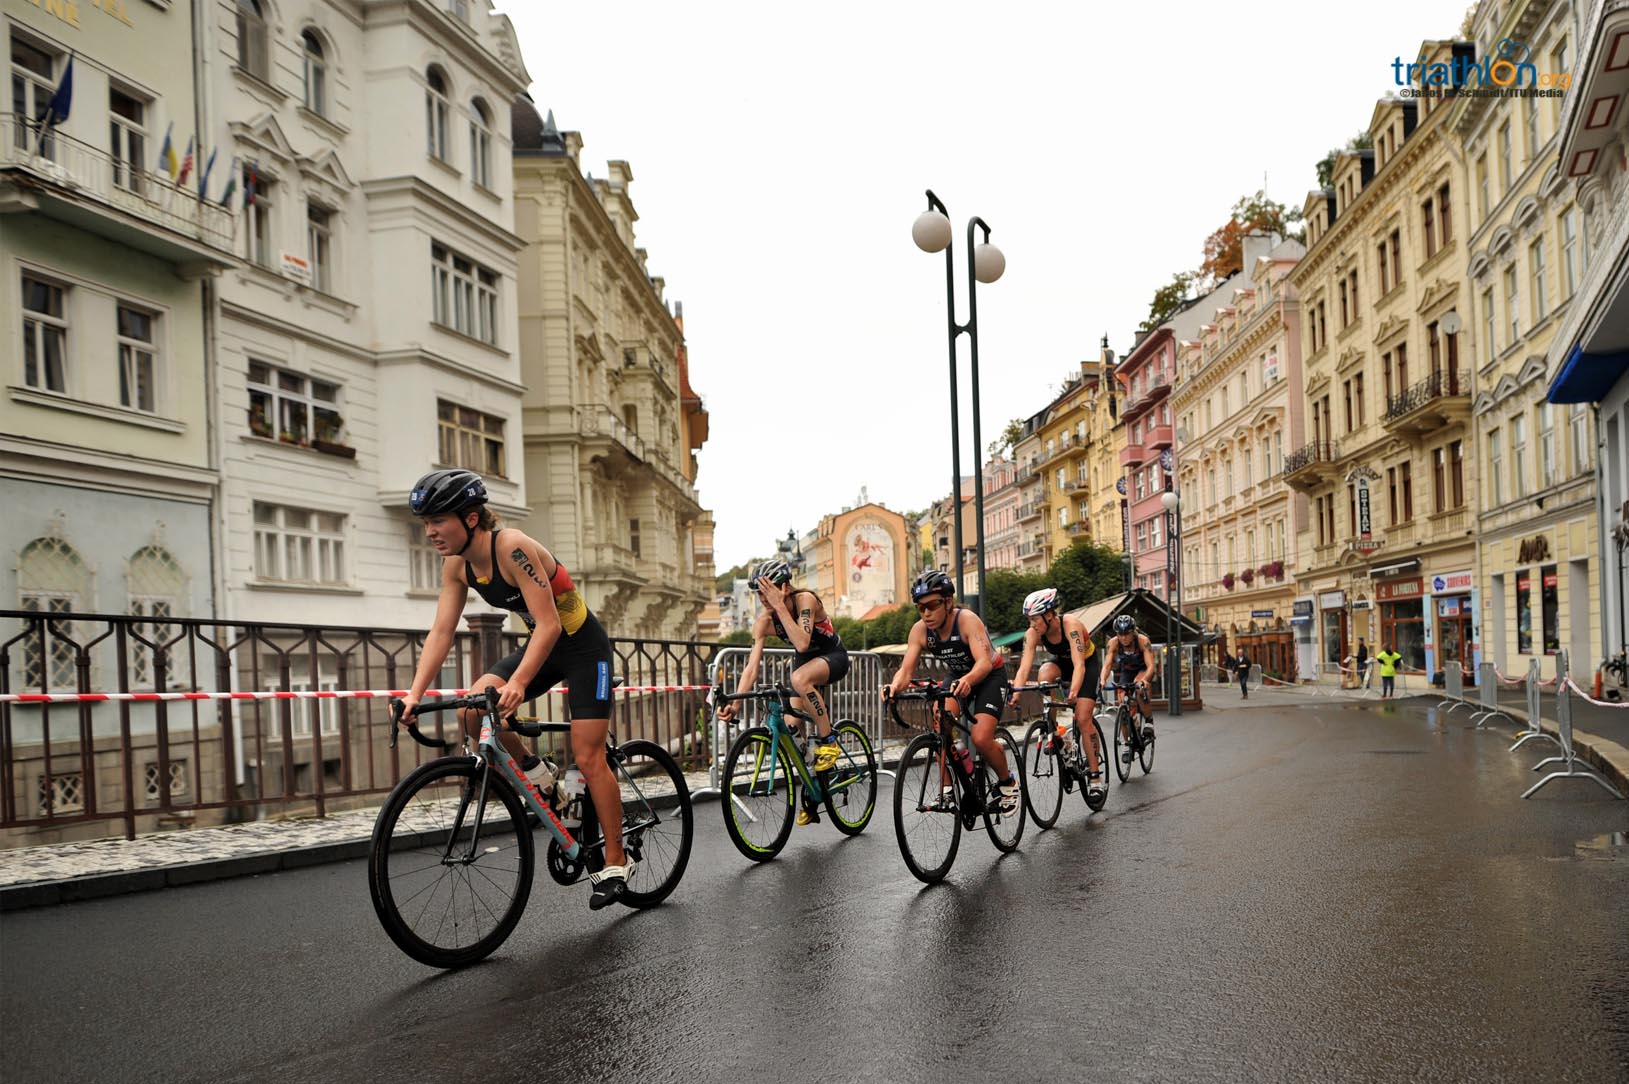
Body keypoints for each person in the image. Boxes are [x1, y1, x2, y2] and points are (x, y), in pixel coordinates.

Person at [396, 469, 631, 910]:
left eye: (437, 521)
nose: (429, 532)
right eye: (424, 523)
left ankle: (616, 860)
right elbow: (442, 631)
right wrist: (415, 693)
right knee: (471, 710)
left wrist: (520, 683)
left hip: (583, 648)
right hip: (545, 646)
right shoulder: (457, 565)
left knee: (587, 755)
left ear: (470, 519)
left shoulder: (512, 547)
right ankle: (542, 778)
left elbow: (550, 622)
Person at [718, 558, 851, 825]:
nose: (765, 598)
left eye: (770, 589)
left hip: (832, 656)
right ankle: (814, 791)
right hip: (805, 665)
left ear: (786, 587)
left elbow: (802, 642)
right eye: (760, 593)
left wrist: (780, 606)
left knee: (799, 678)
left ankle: (829, 742)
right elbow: (751, 668)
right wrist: (736, 704)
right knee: (791, 729)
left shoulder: (805, 601)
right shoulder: (764, 621)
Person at [883, 570, 1020, 815]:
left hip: (989, 675)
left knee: (980, 737)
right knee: (940, 723)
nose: (926, 613)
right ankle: (947, 790)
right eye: (920, 607)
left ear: (947, 602)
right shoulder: (920, 631)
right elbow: (905, 670)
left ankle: (1008, 784)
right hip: (958, 676)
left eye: (932, 605)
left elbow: (984, 662)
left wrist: (968, 679)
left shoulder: (966, 620)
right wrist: (894, 687)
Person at [1010, 587, 1105, 802]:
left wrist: (1072, 693)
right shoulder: (1033, 633)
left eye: (1034, 619)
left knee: (1082, 718)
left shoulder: (1070, 625)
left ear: (1050, 614)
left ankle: (1095, 777)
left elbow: (1079, 665)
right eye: (1029, 619)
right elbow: (1024, 667)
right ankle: (1052, 730)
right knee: (1044, 673)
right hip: (1062, 664)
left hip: (1085, 665)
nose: (1032, 624)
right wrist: (1015, 692)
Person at [1104, 614, 1157, 742]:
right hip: (1127, 672)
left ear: (1133, 632)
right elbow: (1107, 665)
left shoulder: (1143, 641)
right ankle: (1127, 743)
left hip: (1143, 670)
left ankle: (1149, 720)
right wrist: (1101, 680)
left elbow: (1151, 666)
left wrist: (1144, 680)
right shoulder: (1113, 643)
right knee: (1122, 705)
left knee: (1139, 689)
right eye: (1120, 634)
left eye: (1127, 634)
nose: (1124, 637)